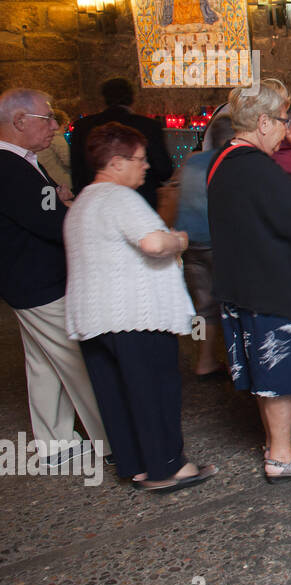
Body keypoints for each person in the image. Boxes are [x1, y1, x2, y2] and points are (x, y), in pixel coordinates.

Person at [64, 122, 216, 492]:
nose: (146, 167)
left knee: (116, 394)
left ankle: (136, 465)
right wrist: (177, 239)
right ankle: (168, 467)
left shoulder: (83, 201)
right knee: (154, 389)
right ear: (115, 163)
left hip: (93, 318)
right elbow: (151, 244)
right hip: (133, 316)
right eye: (139, 159)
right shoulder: (118, 197)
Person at [207, 78, 291, 481]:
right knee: (281, 375)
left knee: (267, 375)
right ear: (263, 122)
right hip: (275, 289)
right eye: (282, 120)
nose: (285, 128)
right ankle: (281, 457)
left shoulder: (224, 159)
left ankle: (276, 441)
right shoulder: (259, 170)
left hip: (246, 284)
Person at [0, 88, 108, 469]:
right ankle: (113, 441)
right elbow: (48, 219)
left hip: (27, 279)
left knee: (43, 364)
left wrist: (61, 202)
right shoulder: (9, 166)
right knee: (79, 359)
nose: (54, 126)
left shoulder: (26, 160)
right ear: (19, 122)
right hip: (38, 280)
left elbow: (49, 203)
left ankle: (54, 443)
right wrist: (72, 211)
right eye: (47, 119)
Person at [175, 113, 235, 377]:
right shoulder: (230, 164)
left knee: (201, 307)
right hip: (218, 243)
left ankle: (204, 359)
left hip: (190, 243)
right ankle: (237, 361)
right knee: (232, 305)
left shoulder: (191, 161)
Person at [69, 77, 174, 206]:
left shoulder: (82, 126)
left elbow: (77, 173)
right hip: (140, 201)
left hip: (95, 203)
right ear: (132, 97)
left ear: (104, 98)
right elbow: (164, 170)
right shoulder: (148, 126)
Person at [36, 106, 73, 190]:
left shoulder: (38, 138)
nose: (65, 131)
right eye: (65, 127)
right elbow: (69, 160)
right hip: (63, 183)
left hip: (47, 183)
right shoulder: (56, 137)